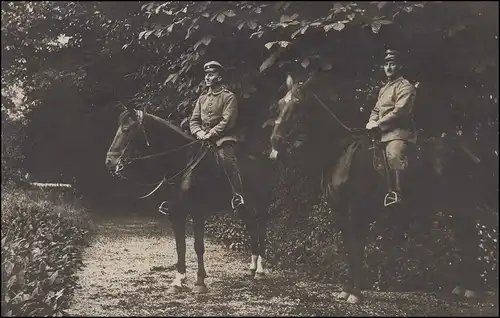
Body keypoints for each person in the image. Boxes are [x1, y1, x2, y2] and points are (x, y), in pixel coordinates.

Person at [187, 60, 244, 210]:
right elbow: (194, 120)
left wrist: (211, 134)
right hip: (202, 138)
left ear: (219, 78)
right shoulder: (202, 98)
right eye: (206, 74)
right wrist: (198, 132)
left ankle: (237, 196)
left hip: (223, 139)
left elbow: (227, 121)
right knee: (185, 159)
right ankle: (178, 197)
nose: (207, 77)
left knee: (227, 161)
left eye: (211, 74)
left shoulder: (228, 97)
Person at [365, 49, 418, 206]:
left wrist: (379, 124)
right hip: (380, 132)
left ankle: (396, 194)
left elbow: (400, 112)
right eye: (386, 64)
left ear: (400, 66)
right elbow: (376, 110)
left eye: (392, 64)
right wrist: (371, 121)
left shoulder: (405, 87)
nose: (388, 67)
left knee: (393, 154)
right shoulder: (383, 89)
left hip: (399, 132)